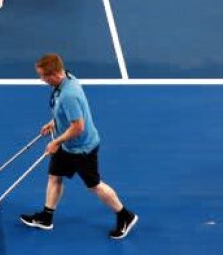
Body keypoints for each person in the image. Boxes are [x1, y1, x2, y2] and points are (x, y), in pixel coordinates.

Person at [20, 53, 139, 239]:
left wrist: (56, 142)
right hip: (67, 144)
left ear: (55, 75)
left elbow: (78, 127)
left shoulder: (69, 95)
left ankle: (125, 216)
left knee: (94, 186)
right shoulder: (67, 78)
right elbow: (67, 113)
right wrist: (54, 122)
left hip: (81, 149)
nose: (41, 79)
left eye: (43, 76)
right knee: (54, 177)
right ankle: (47, 217)